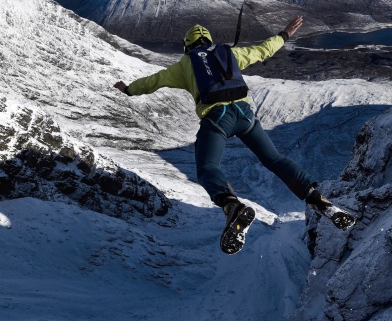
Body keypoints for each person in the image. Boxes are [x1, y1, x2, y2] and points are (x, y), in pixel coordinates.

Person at [114, 16, 354, 255]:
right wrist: (284, 34)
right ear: (208, 40)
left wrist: (129, 90)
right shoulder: (228, 53)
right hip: (245, 116)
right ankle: (316, 197)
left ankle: (231, 206)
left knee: (208, 167)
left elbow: (155, 81)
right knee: (275, 160)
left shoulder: (185, 64)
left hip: (217, 119)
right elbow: (262, 50)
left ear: (187, 46)